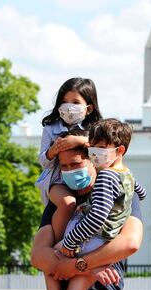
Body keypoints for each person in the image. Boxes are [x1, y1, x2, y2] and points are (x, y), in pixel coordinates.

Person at [31, 146, 143, 290]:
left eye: (76, 164)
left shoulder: (121, 193)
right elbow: (38, 255)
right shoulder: (61, 201)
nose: (70, 170)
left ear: (93, 161)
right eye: (64, 166)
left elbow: (130, 243)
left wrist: (76, 265)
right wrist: (87, 269)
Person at [57, 118, 146, 290]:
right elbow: (141, 193)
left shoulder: (106, 176)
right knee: (79, 284)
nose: (95, 153)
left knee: (55, 252)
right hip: (107, 240)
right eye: (93, 147)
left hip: (92, 238)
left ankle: (89, 269)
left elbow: (97, 216)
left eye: (102, 148)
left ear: (119, 150)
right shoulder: (127, 175)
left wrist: (70, 241)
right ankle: (91, 269)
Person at [35, 77, 102, 243]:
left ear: (89, 108)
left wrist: (80, 141)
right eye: (64, 101)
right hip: (58, 181)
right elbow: (43, 161)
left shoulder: (96, 129)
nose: (69, 106)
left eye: (75, 101)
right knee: (67, 203)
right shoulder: (51, 128)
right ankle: (58, 244)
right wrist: (53, 151)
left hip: (86, 182)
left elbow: (103, 151)